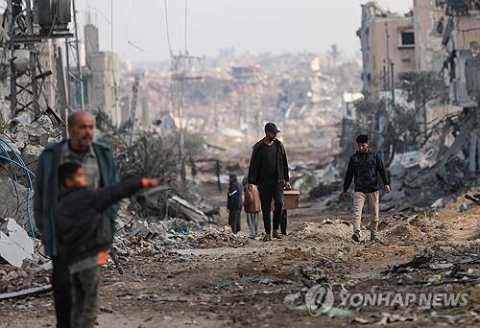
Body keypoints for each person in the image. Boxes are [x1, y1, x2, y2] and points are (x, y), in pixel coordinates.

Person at [34, 111, 118, 328]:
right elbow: (42, 195)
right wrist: (45, 228)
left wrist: (108, 226)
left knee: (88, 292)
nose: (87, 132)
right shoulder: (52, 157)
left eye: (91, 127)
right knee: (63, 291)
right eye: (82, 127)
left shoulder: (103, 155)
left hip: (92, 238)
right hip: (62, 238)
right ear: (70, 129)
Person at [55, 162, 160, 328]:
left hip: (71, 262)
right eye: (80, 176)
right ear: (68, 181)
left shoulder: (61, 204)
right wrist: (142, 182)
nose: (84, 178)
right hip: (87, 260)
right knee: (90, 304)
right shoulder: (87, 198)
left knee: (77, 304)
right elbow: (115, 192)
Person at [342, 134, 391, 243]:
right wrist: (345, 190)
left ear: (367, 145)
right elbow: (349, 175)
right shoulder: (354, 158)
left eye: (363, 145)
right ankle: (357, 232)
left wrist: (386, 183)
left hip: (373, 189)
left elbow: (382, 170)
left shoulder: (374, 156)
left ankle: (374, 234)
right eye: (359, 146)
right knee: (357, 211)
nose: (360, 148)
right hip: (359, 189)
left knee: (375, 214)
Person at [247, 123, 291, 241]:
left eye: (276, 133)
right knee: (266, 208)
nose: (275, 135)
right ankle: (267, 232)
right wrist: (251, 181)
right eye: (273, 133)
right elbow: (254, 165)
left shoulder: (279, 146)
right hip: (264, 182)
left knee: (279, 203)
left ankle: (276, 229)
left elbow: (284, 164)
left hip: (277, 181)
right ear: (267, 133)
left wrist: (287, 180)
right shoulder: (259, 147)